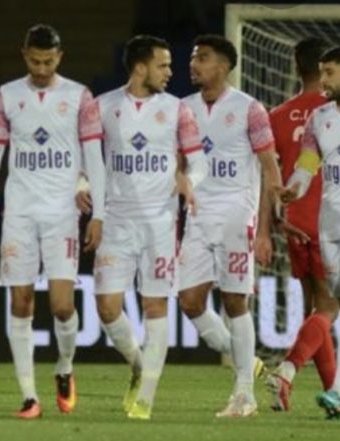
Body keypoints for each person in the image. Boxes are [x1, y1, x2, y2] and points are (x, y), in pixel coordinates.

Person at [0, 24, 106, 419]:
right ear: (24, 55)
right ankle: (29, 397)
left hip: (62, 213)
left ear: (60, 57)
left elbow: (94, 157)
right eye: (35, 61)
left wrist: (99, 213)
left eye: (48, 61)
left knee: (62, 306)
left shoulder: (78, 96)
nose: (42, 69)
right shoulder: (8, 95)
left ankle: (64, 367)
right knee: (21, 300)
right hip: (20, 212)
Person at [80, 35, 205, 420]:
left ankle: (146, 398)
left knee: (155, 305)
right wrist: (83, 187)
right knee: (106, 307)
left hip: (160, 222)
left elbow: (198, 161)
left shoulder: (178, 110)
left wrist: (189, 181)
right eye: (162, 65)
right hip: (116, 220)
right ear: (140, 67)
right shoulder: (101, 107)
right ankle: (138, 365)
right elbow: (88, 160)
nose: (170, 71)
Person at [177, 35, 281, 418]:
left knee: (235, 301)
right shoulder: (183, 108)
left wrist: (266, 229)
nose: (194, 64)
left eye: (202, 58)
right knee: (189, 301)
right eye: (193, 57)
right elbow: (178, 164)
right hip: (198, 217)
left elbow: (270, 169)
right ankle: (247, 362)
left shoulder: (250, 109)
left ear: (223, 66)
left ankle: (244, 394)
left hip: (237, 214)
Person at [264, 38, 340, 412]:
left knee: (328, 308)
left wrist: (279, 209)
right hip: (328, 221)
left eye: (331, 72)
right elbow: (308, 165)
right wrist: (294, 188)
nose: (326, 80)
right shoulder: (322, 116)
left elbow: (281, 169)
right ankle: (294, 373)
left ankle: (336, 391)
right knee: (334, 307)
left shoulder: (279, 115)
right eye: (323, 72)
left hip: (312, 222)